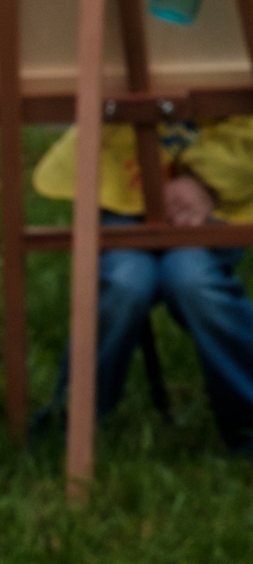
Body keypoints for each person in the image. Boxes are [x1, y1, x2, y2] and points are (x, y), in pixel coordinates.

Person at [34, 117, 253, 455]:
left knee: (192, 280)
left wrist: (207, 181)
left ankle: (248, 422)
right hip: (122, 186)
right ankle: (72, 425)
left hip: (217, 197)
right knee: (125, 281)